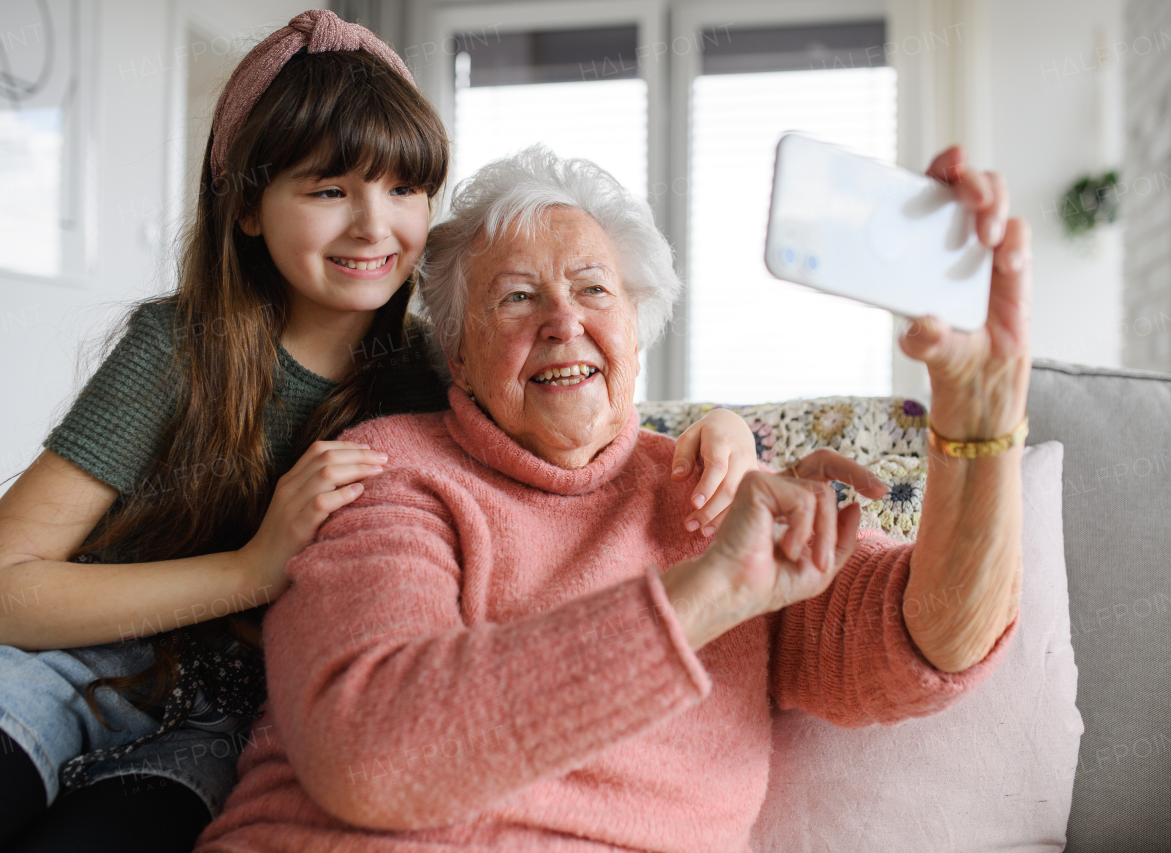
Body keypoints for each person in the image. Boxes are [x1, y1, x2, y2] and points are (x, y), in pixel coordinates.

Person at [0, 14, 756, 853]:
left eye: (404, 189)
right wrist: (251, 568)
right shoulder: (179, 348)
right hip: (59, 665)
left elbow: (580, 414)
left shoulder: (437, 372)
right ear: (248, 207)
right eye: (329, 190)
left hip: (217, 727)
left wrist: (721, 428)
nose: (375, 226)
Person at [195, 143, 1030, 852]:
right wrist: (708, 593)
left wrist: (980, 421)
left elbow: (936, 641)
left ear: (637, 325)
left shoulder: (717, 496)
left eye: (594, 289)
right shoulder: (390, 471)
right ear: (456, 349)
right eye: (517, 297)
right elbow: (372, 753)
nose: (563, 320)